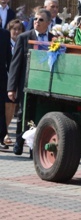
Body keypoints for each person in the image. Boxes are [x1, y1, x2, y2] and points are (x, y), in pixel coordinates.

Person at [8, 8, 53, 156]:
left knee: (39, 114)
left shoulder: (54, 39)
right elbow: (16, 64)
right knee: (23, 113)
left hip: (44, 84)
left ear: (48, 22)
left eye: (40, 20)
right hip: (26, 82)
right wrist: (11, 88)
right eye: (35, 19)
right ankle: (19, 142)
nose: (36, 22)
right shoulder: (25, 37)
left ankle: (35, 147)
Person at [4, 19, 24, 146]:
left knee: (11, 106)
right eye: (14, 29)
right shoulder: (5, 42)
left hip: (15, 80)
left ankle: (5, 130)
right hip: (4, 78)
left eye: (19, 29)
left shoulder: (22, 43)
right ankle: (4, 132)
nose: (16, 32)